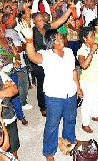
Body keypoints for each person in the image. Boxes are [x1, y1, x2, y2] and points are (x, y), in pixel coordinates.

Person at [19, 21, 83, 161]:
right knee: (52, 124)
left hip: (70, 93)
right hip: (54, 96)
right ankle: (49, 151)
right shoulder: (45, 55)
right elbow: (32, 57)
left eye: (60, 37)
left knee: (70, 119)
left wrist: (78, 87)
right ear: (50, 42)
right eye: (56, 39)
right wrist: (29, 39)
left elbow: (73, 71)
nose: (60, 40)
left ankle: (69, 139)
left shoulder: (69, 51)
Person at [77, 26, 98, 133]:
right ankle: (85, 124)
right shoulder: (81, 51)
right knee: (87, 102)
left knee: (97, 98)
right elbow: (84, 65)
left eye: (94, 36)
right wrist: (91, 51)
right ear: (85, 39)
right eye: (91, 36)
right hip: (88, 81)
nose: (94, 38)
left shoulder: (97, 47)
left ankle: (94, 115)